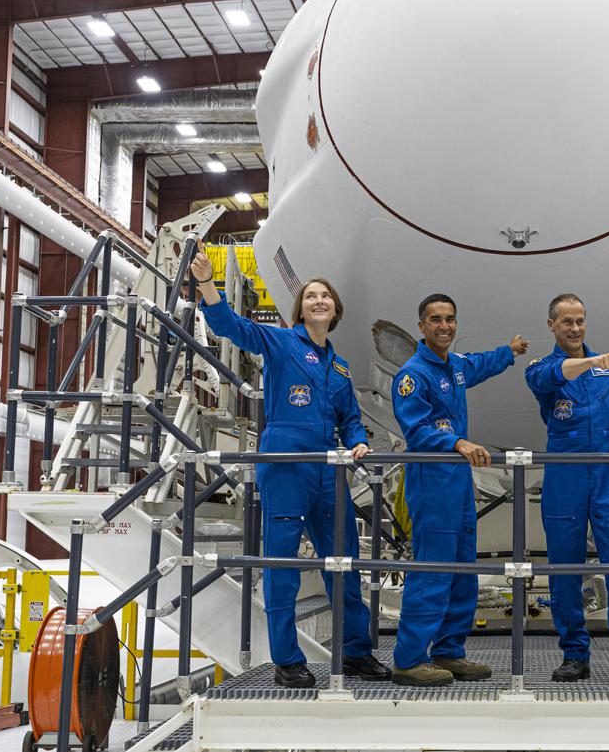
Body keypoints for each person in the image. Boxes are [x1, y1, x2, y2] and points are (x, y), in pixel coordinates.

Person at [191, 243, 390, 688]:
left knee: (344, 561)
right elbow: (230, 325)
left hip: (328, 467)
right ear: (301, 309)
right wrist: (207, 283)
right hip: (284, 463)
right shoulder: (280, 342)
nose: (319, 300)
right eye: (311, 296)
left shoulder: (339, 368)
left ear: (335, 310)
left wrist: (357, 443)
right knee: (281, 564)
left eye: (326, 296)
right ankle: (287, 659)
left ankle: (357, 651)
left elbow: (351, 420)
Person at [390, 293, 529, 686]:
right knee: (433, 572)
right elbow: (415, 429)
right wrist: (457, 444)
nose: (444, 326)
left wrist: (510, 351)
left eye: (450, 319)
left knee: (463, 572)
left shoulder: (455, 367)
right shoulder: (413, 375)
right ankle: (409, 659)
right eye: (436, 320)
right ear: (421, 326)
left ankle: (449, 651)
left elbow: (480, 364)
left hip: (458, 486)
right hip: (432, 481)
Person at [525, 293, 609, 690]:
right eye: (566, 322)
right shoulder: (542, 369)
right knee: (564, 570)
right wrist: (591, 362)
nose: (575, 328)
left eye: (580, 320)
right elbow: (551, 376)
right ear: (552, 326)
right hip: (565, 477)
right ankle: (574, 654)